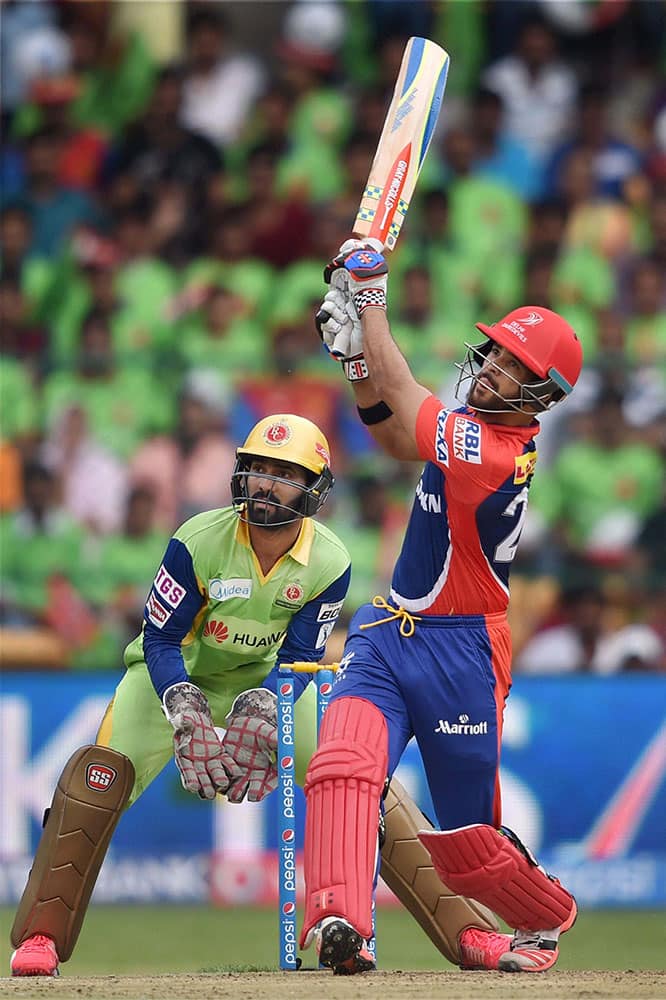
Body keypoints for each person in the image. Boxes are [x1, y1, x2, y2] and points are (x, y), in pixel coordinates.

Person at [9, 412, 501, 977]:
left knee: (356, 775)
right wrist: (185, 708)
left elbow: (300, 655)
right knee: (97, 778)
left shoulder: (329, 560)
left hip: (275, 679)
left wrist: (266, 705)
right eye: (258, 469)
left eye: (284, 473)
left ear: (315, 488)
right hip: (171, 676)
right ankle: (40, 938)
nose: (266, 483)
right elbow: (161, 637)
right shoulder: (198, 540)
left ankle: (468, 931)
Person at [299, 241, 583, 974]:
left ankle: (544, 916)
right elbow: (396, 435)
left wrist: (369, 301)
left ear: (541, 394)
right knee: (341, 766)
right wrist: (355, 360)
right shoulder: (469, 430)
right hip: (392, 635)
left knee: (463, 847)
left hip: (463, 653)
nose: (490, 367)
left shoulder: (495, 454)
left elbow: (407, 397)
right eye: (492, 353)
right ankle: (340, 921)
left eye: (512, 366)